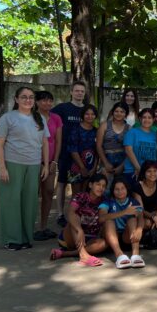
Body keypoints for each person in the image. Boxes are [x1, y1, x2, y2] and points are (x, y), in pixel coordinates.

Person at [0, 86, 50, 250]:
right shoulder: (8, 118)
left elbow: (45, 143)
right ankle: (11, 239)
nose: (28, 100)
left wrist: (45, 165)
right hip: (12, 164)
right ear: (16, 99)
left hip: (33, 166)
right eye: (24, 97)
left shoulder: (39, 118)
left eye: (31, 97)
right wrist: (2, 167)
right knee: (11, 202)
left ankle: (26, 237)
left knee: (29, 203)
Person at [49, 174, 109, 266]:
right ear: (90, 185)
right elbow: (70, 213)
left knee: (104, 244)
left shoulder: (105, 201)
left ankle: (65, 253)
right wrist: (79, 229)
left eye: (103, 186)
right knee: (74, 217)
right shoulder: (81, 196)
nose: (101, 188)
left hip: (89, 239)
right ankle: (83, 255)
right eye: (98, 184)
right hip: (71, 235)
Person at [52, 81, 86, 225]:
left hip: (82, 154)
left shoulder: (88, 109)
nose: (79, 93)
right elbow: (50, 122)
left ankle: (77, 213)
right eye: (77, 91)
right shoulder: (62, 108)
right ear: (71, 92)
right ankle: (60, 214)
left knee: (79, 185)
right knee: (62, 183)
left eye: (82, 91)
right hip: (65, 152)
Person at [34, 90, 62, 241]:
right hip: (33, 162)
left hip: (50, 162)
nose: (47, 103)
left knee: (49, 191)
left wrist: (54, 161)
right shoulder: (32, 117)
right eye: (44, 100)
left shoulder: (56, 118)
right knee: (32, 194)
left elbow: (58, 141)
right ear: (37, 102)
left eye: (50, 100)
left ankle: (43, 227)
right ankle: (28, 226)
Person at [99, 177, 145, 269]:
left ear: (127, 189)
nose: (120, 191)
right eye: (117, 189)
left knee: (132, 219)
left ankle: (135, 254)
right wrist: (124, 212)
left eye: (122, 188)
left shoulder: (132, 201)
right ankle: (119, 255)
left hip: (126, 237)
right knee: (108, 221)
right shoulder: (108, 201)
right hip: (110, 236)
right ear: (113, 190)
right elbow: (101, 218)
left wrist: (139, 229)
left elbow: (140, 217)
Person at [96, 102, 130, 187]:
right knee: (105, 188)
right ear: (112, 112)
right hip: (106, 158)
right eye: (116, 111)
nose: (119, 114)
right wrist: (106, 163)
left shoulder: (129, 128)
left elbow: (130, 150)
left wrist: (122, 166)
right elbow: (99, 146)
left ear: (126, 114)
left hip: (123, 160)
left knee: (120, 188)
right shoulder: (104, 125)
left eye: (122, 112)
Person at [66, 104, 99, 194]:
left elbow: (98, 151)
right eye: (87, 114)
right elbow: (73, 149)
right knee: (77, 196)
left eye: (92, 114)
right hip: (76, 167)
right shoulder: (75, 129)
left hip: (91, 169)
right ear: (83, 115)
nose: (90, 116)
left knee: (87, 195)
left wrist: (94, 168)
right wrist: (82, 167)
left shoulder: (97, 131)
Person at [132, 161, 157, 236]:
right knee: (147, 223)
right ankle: (146, 235)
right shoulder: (137, 187)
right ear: (144, 173)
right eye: (149, 171)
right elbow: (140, 209)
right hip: (143, 214)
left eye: (155, 171)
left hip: (156, 211)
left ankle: (155, 232)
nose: (152, 174)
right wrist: (154, 217)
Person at [123, 108, 157, 184]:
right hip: (133, 171)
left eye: (149, 118)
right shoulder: (132, 132)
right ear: (140, 118)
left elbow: (156, 155)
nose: (147, 120)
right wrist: (138, 168)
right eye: (144, 117)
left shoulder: (155, 135)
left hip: (150, 174)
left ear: (154, 119)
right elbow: (128, 150)